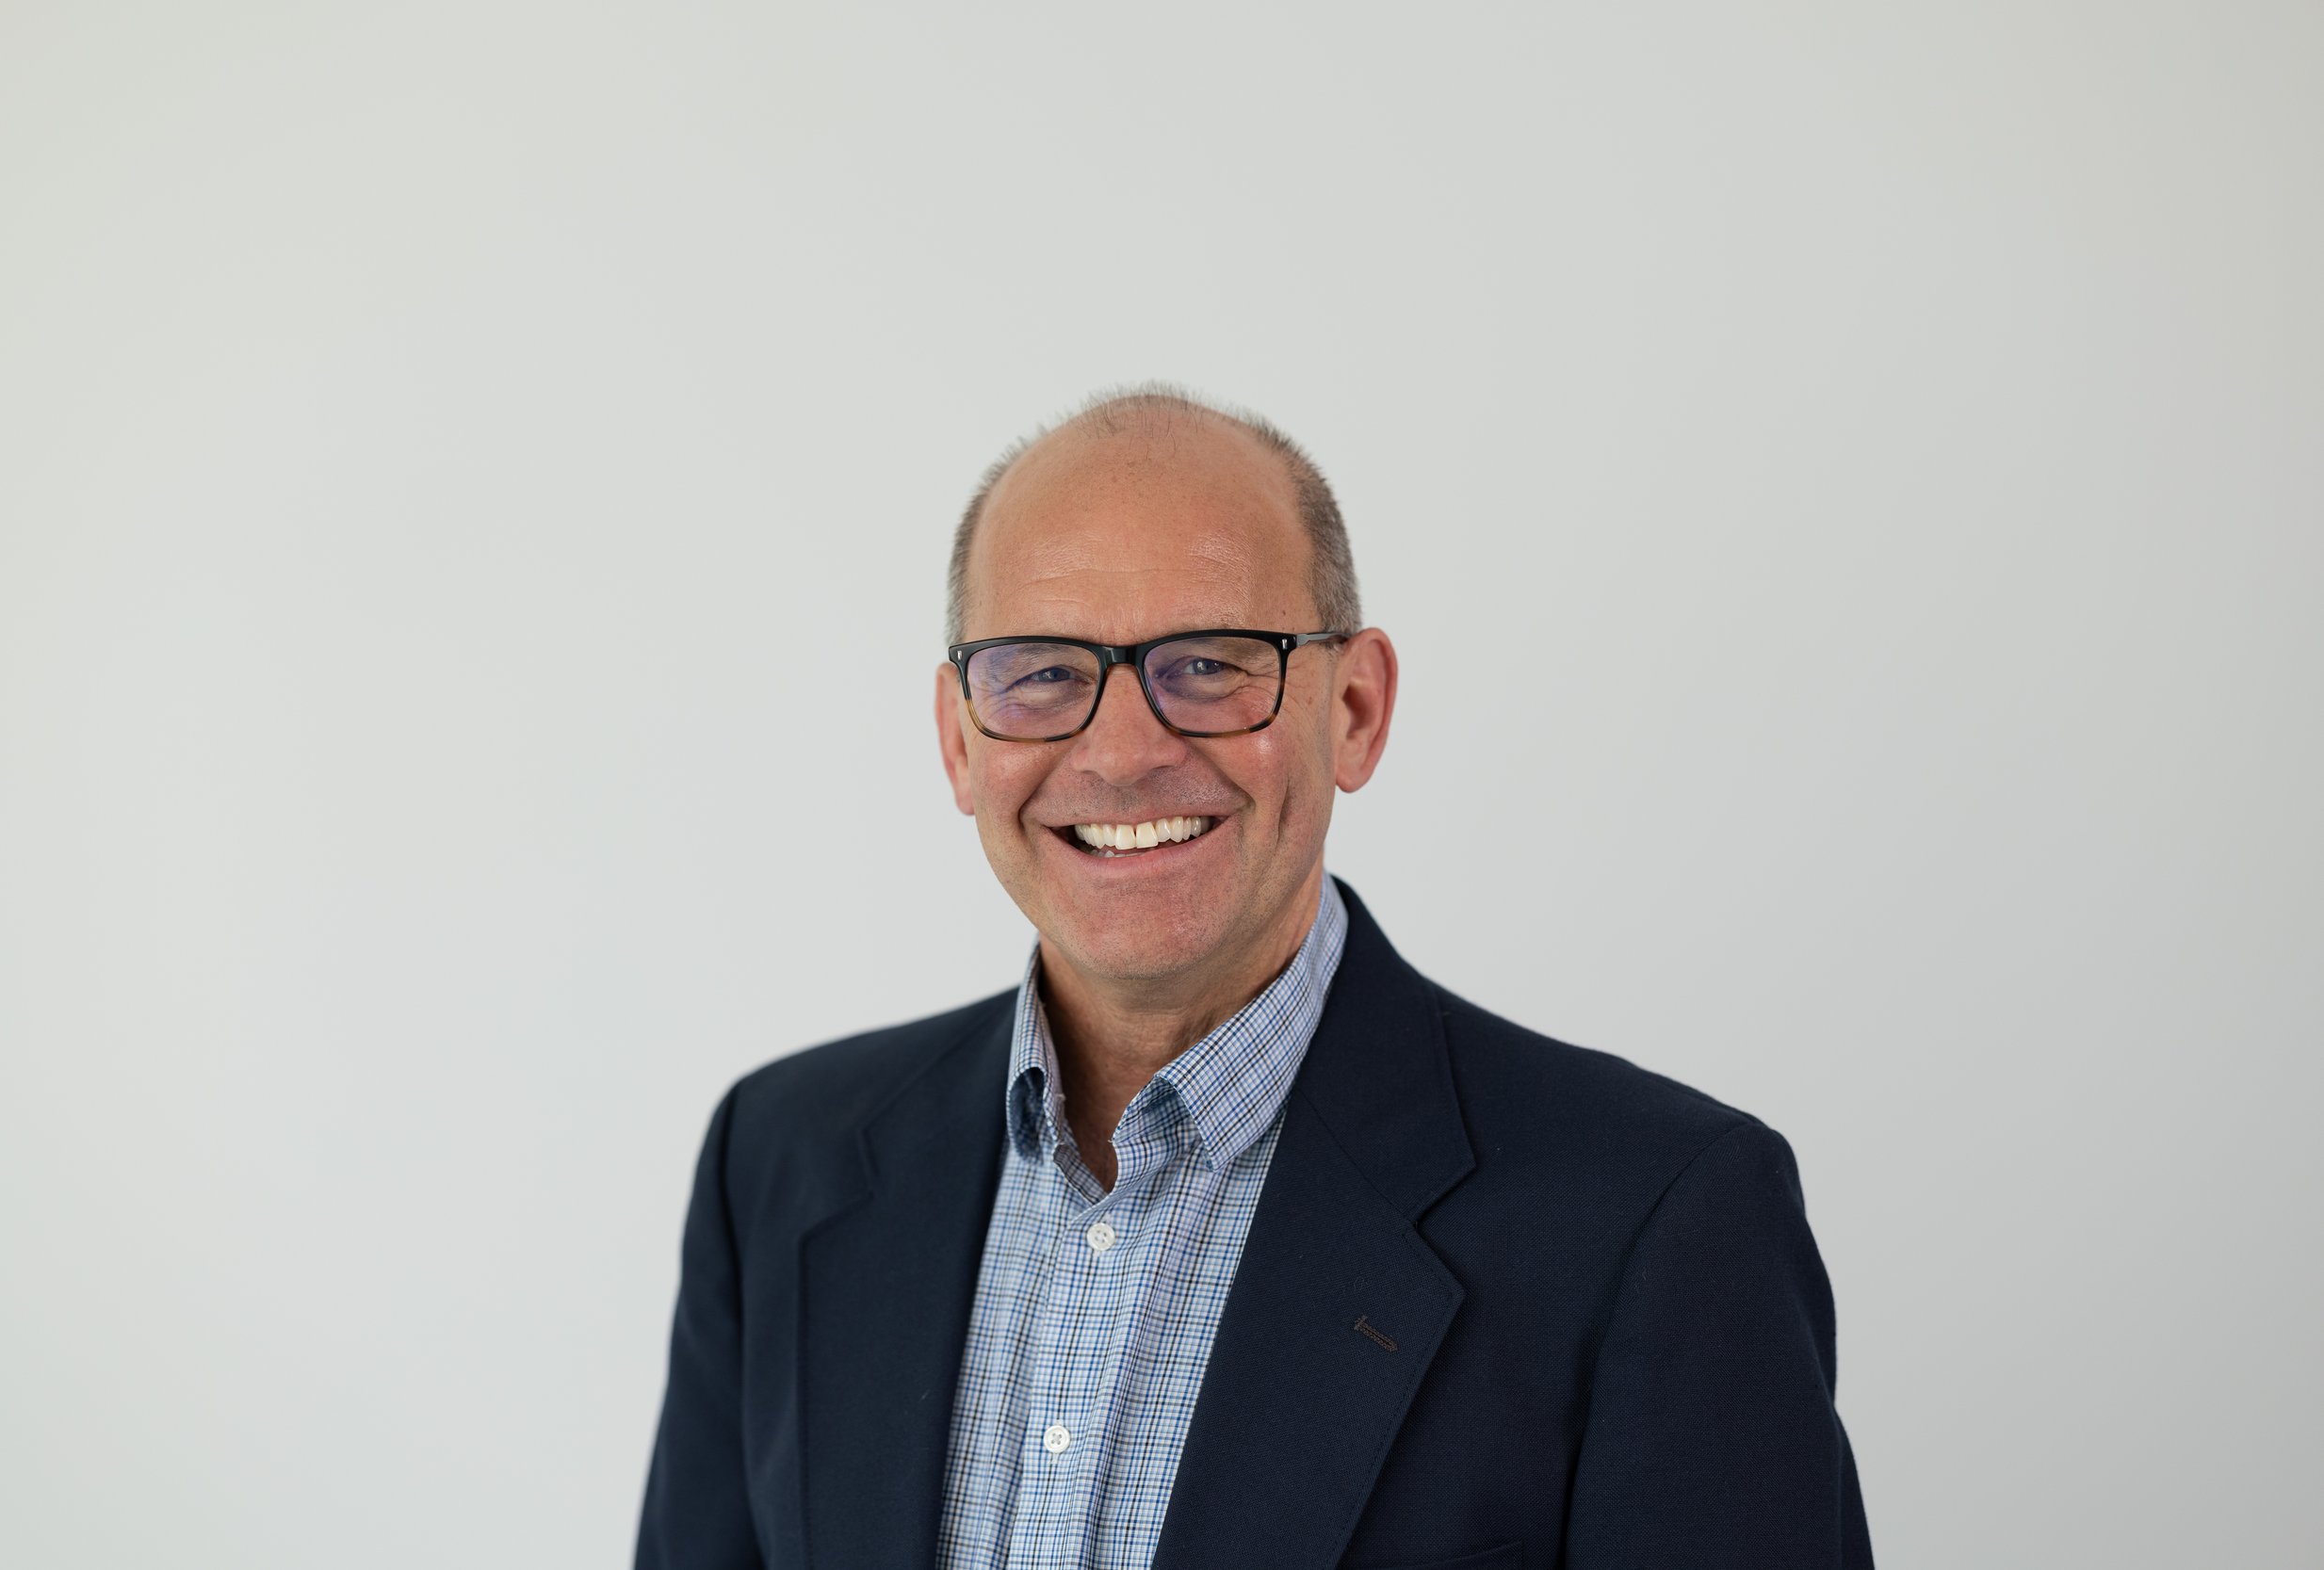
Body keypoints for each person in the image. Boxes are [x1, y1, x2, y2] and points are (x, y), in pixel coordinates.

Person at [636, 389, 1873, 1570]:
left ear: (1357, 709)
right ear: (961, 739)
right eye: (1044, 672)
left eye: (1212, 665)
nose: (1122, 753)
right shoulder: (782, 1161)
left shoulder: (1658, 1220)